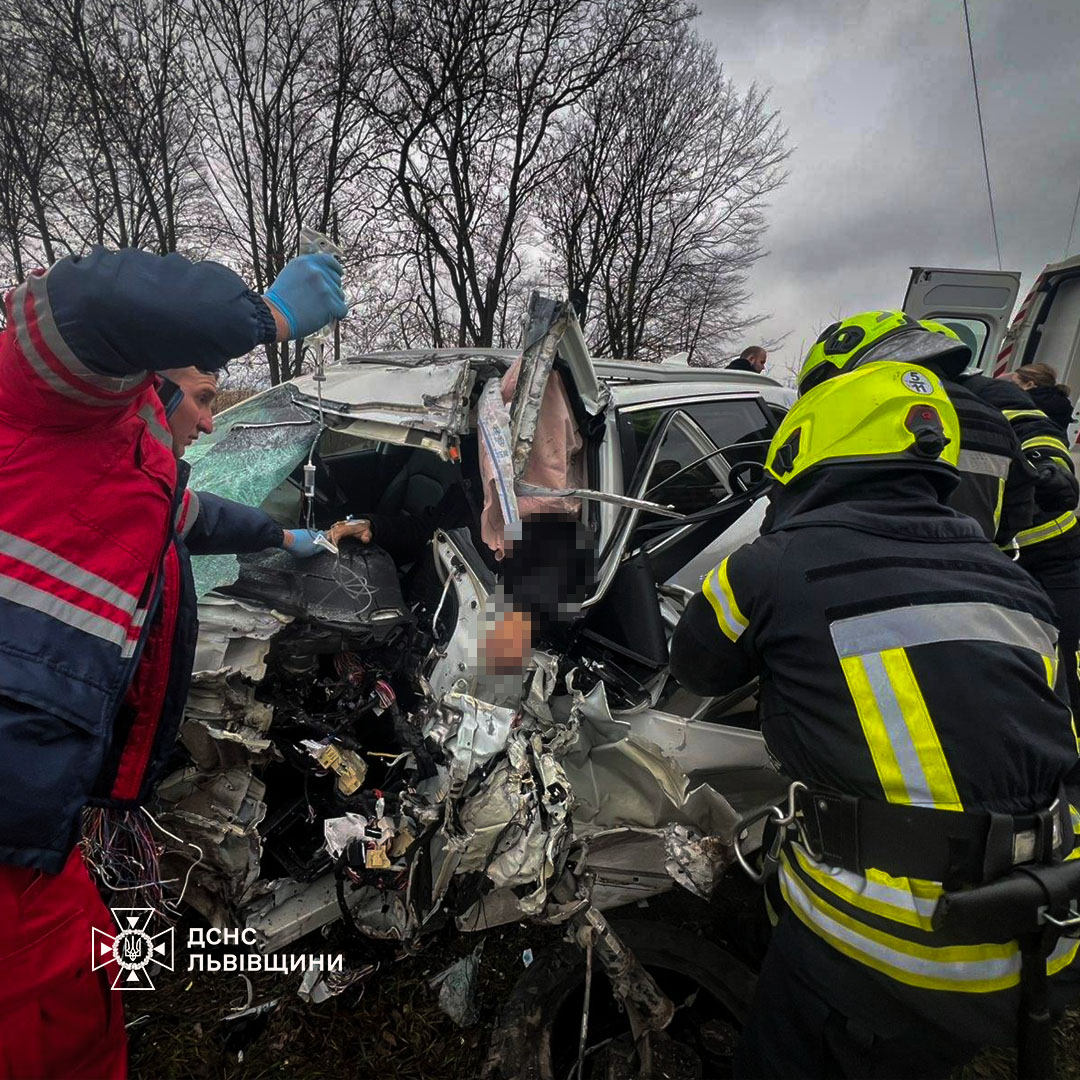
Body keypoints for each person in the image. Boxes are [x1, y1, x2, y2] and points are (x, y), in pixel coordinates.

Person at [670, 360, 1080, 1078]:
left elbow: (697, 668)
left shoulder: (768, 565)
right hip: (1041, 927)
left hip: (895, 938)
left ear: (812, 447)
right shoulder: (1017, 584)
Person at [0, 246, 345, 1079]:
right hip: (10, 820)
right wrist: (261, 319)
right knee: (54, 1016)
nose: (209, 419)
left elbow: (198, 517)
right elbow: (80, 302)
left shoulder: (129, 473)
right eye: (200, 394)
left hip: (34, 807)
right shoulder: (44, 407)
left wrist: (289, 537)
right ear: (137, 380)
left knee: (89, 979)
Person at [796, 311, 1035, 547]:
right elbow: (1017, 513)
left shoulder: (861, 407)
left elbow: (802, 497)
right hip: (969, 569)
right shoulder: (993, 418)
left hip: (860, 565)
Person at [1008, 362, 1076, 436]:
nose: (1010, 388)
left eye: (1014, 384)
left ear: (1029, 385)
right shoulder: (1062, 405)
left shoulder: (1023, 404)